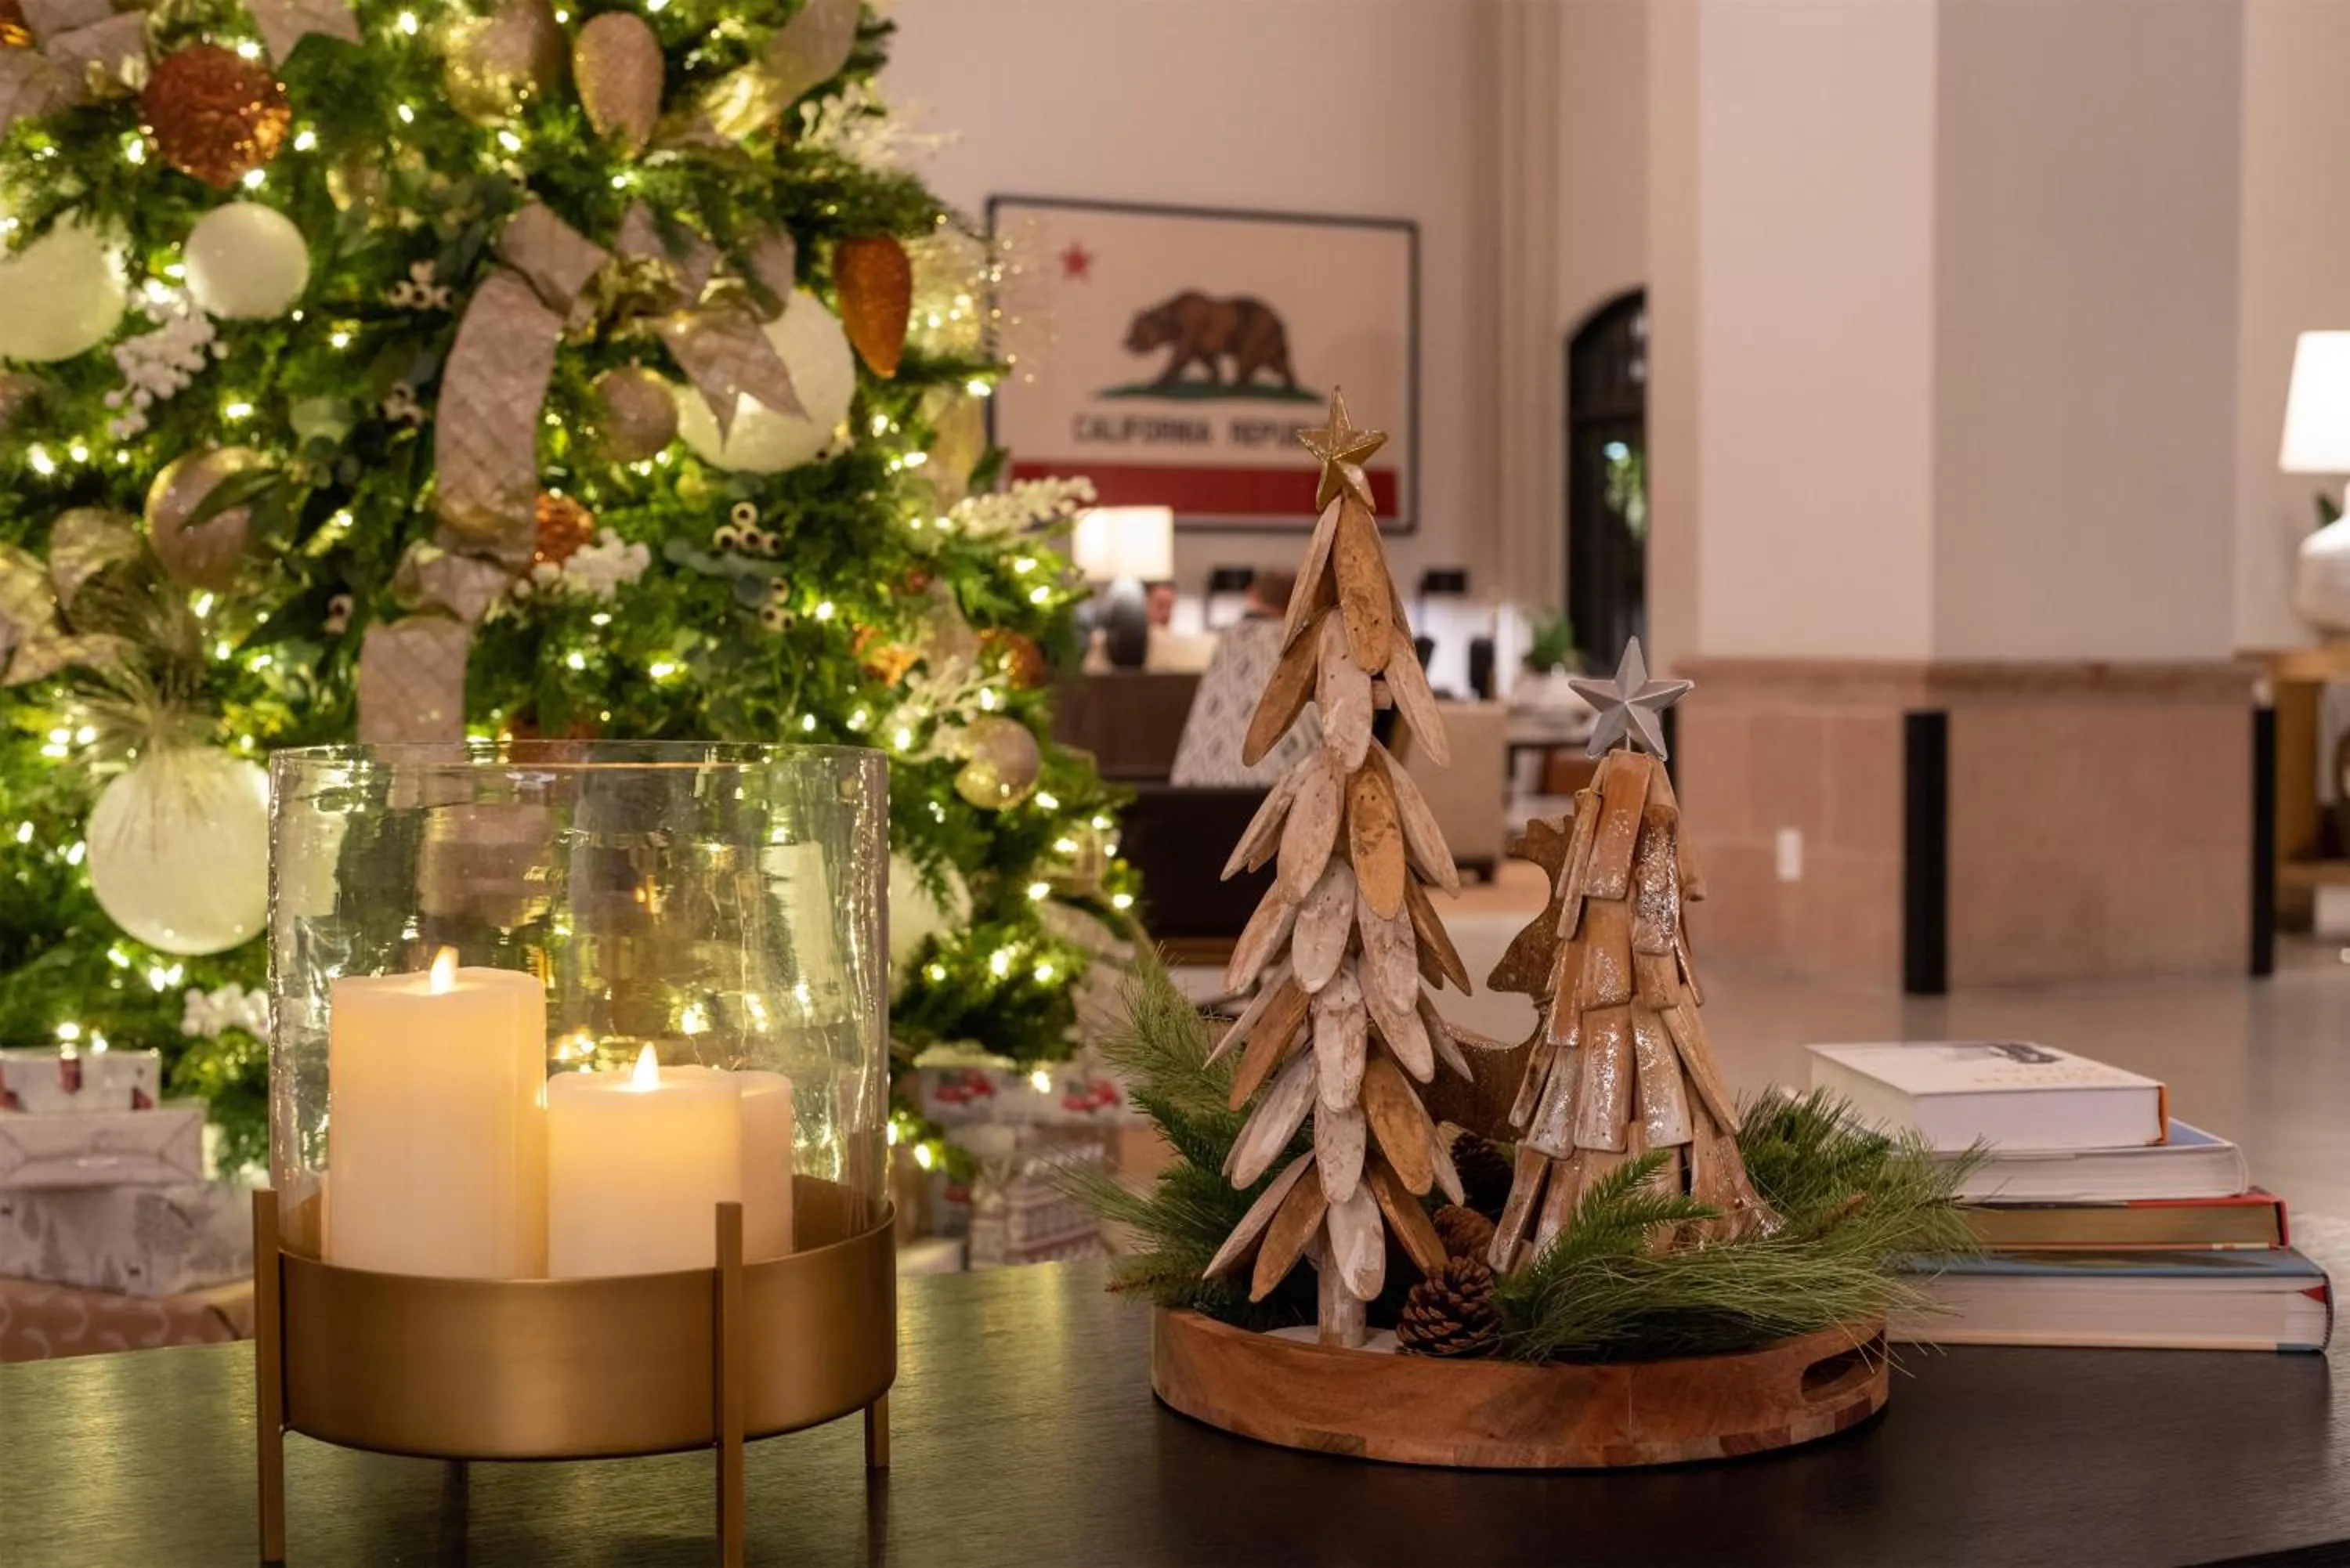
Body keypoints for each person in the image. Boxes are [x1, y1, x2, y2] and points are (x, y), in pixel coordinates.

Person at [1170, 569, 1321, 786]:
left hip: (1203, 791)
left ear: (1252, 597)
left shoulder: (1230, 639)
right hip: (1274, 790)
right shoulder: (1305, 644)